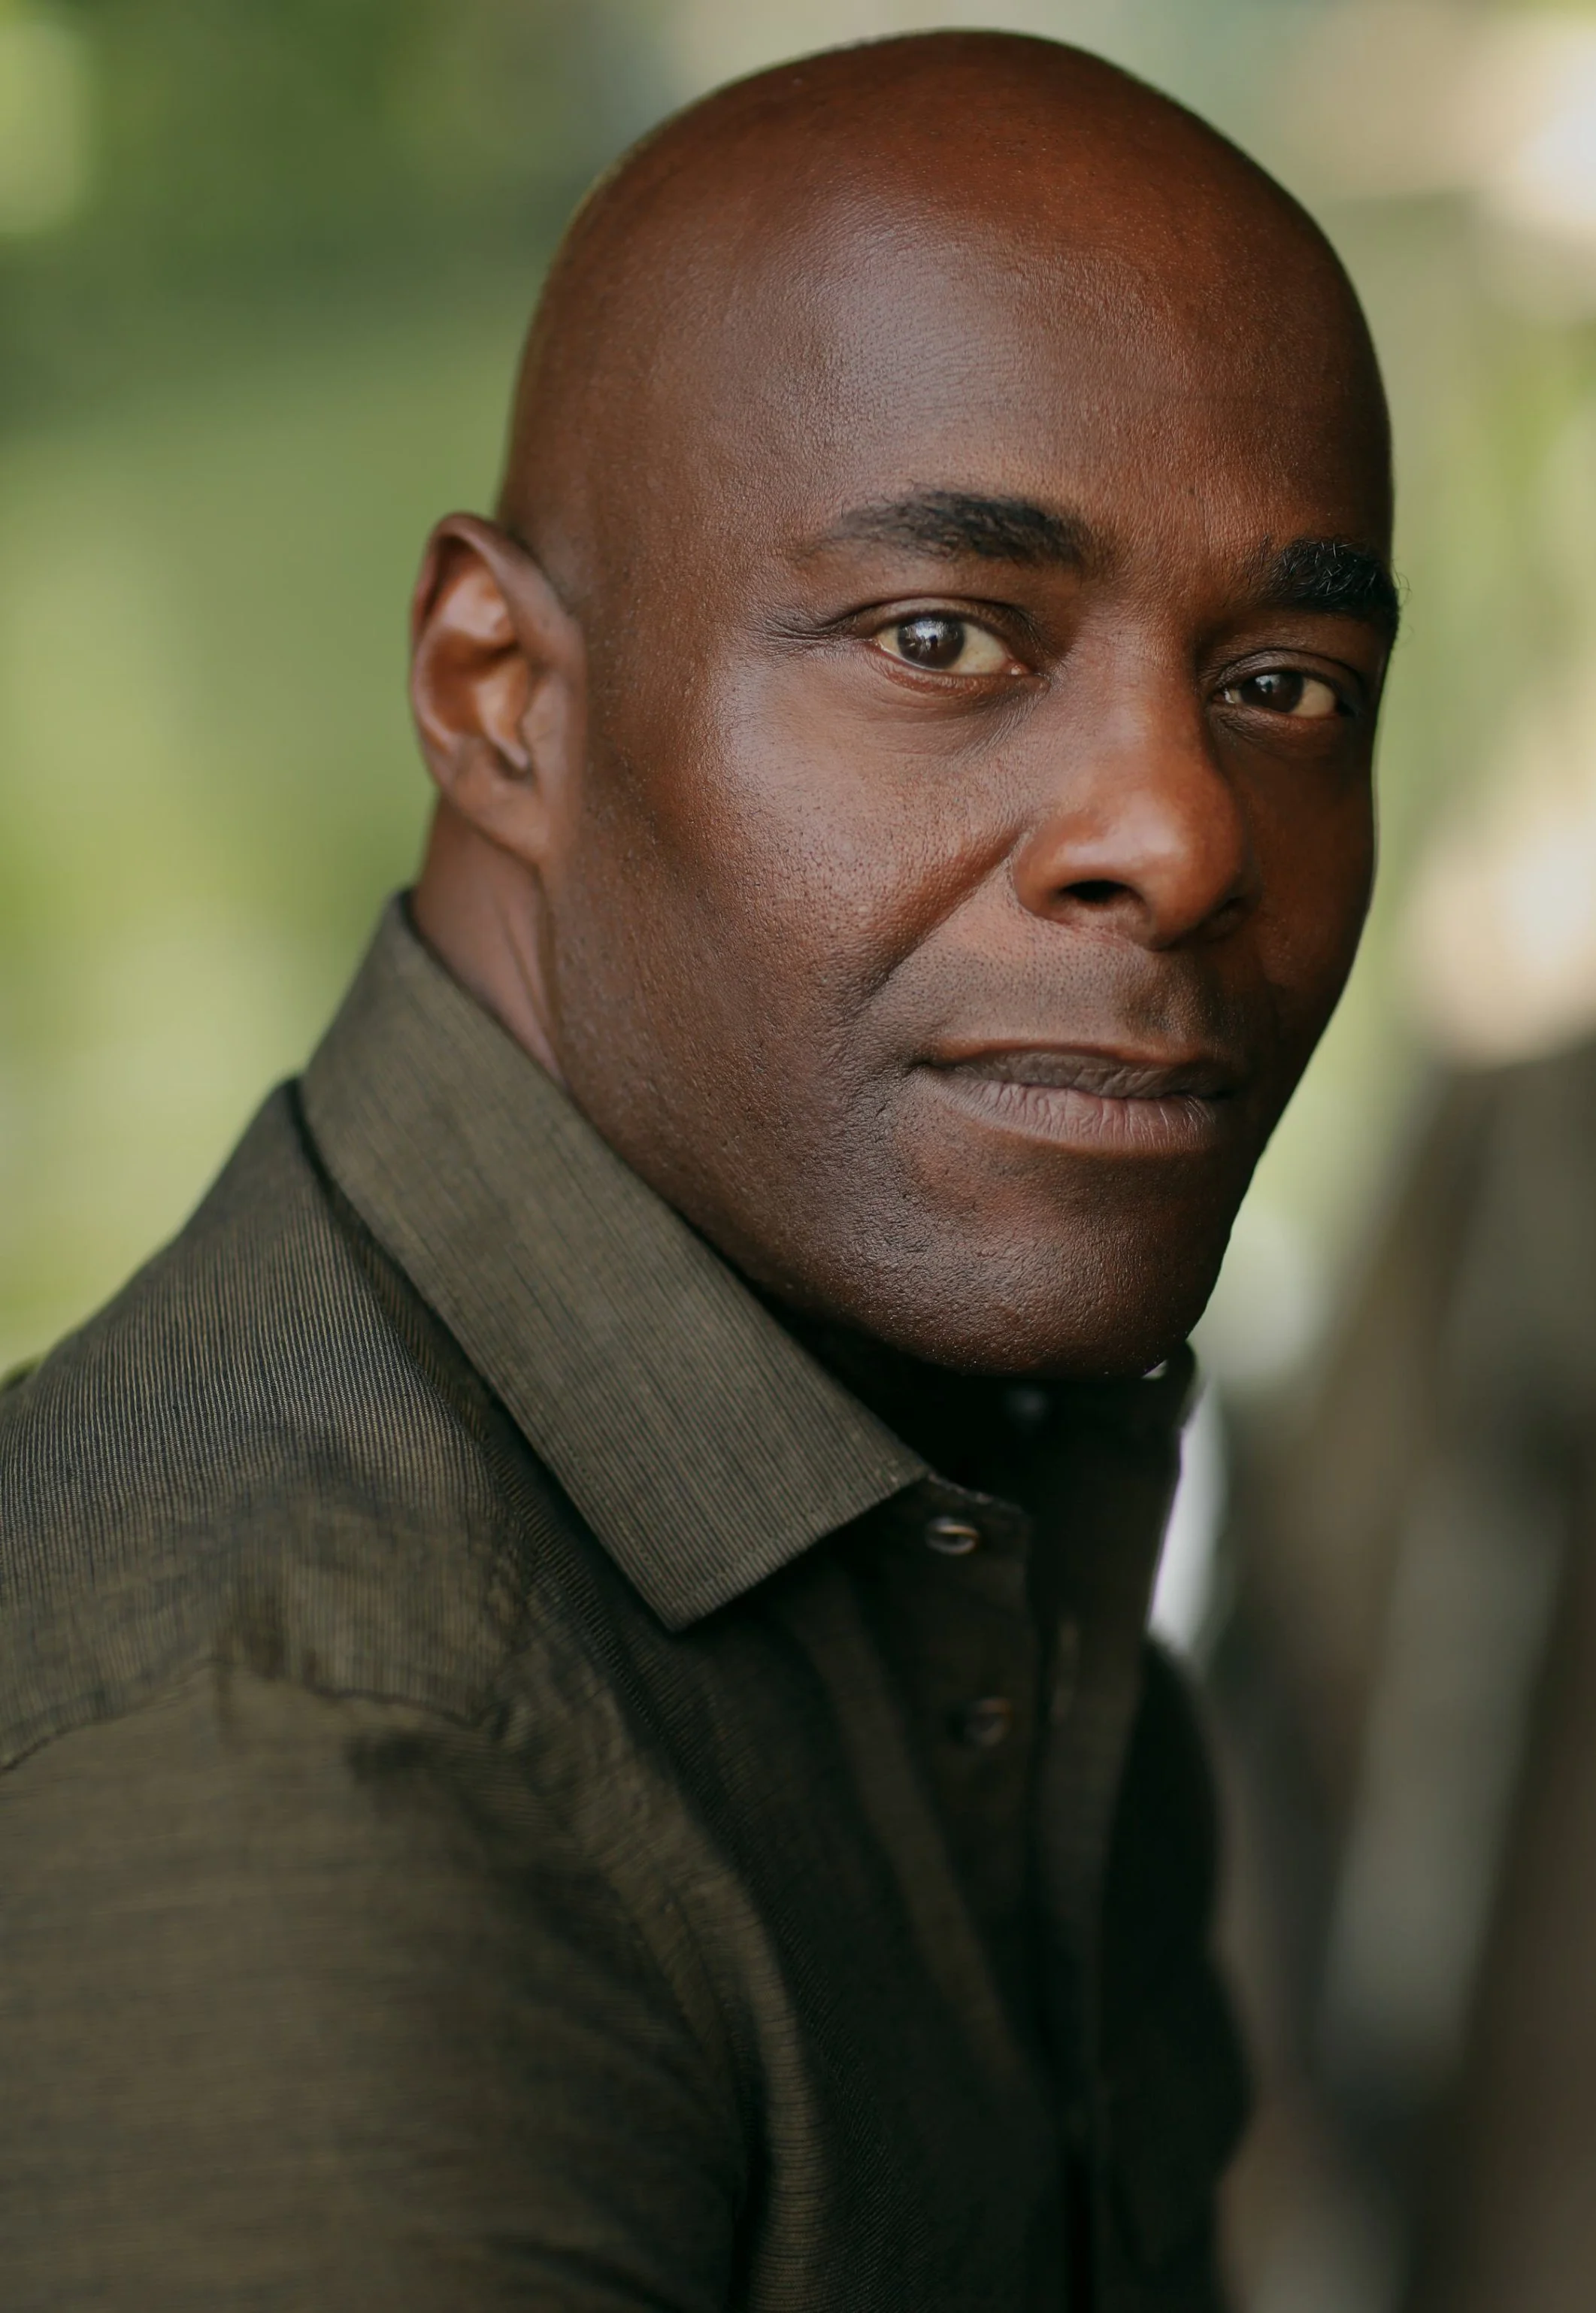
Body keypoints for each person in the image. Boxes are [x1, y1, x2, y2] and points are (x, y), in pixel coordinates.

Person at [0, 31, 1398, 2312]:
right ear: (499, 693)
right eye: (943, 638)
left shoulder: (972, 1457)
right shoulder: (296, 1780)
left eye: (1290, 682)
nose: (1178, 830)